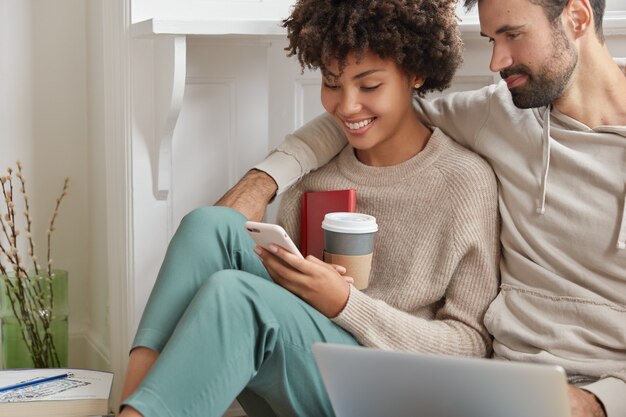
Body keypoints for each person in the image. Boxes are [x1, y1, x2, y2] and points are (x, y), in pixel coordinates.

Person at [218, 1, 626, 417]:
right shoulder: (501, 111)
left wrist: (599, 402)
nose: (496, 61)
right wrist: (262, 182)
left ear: (577, 17)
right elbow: (365, 113)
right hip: (496, 384)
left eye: (513, 35)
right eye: (491, 39)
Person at [119, 1, 500, 416]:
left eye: (369, 86)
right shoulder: (315, 180)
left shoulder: (465, 181)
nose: (346, 106)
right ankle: (129, 405)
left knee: (236, 295)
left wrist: (345, 304)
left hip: (399, 391)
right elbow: (289, 315)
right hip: (312, 372)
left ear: (415, 74)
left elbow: (471, 344)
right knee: (207, 225)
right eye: (332, 84)